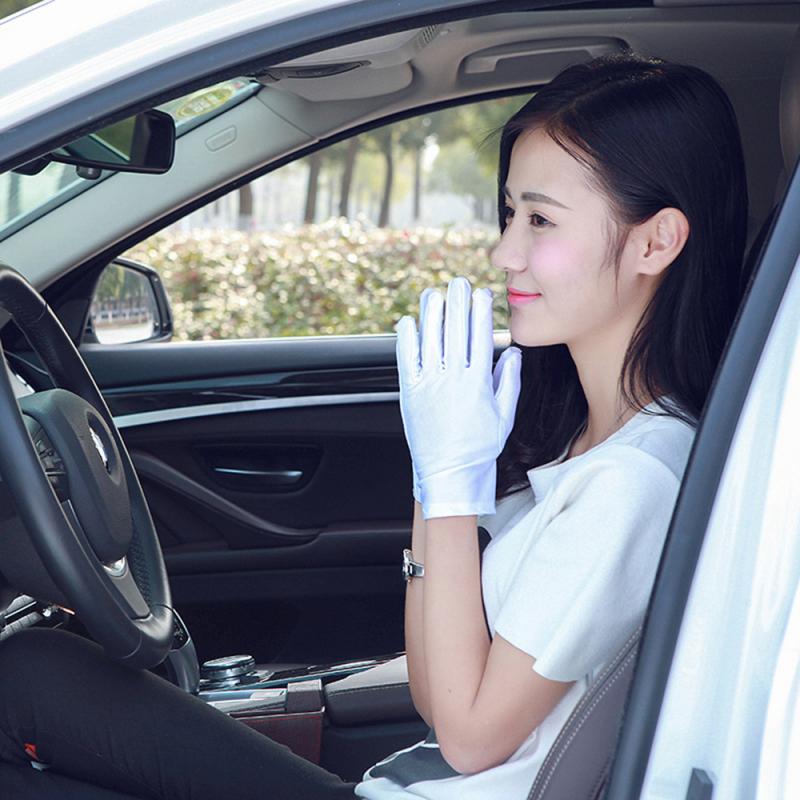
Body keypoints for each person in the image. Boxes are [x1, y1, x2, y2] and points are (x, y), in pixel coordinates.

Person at [0, 50, 750, 800]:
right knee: (34, 676)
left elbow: (467, 739)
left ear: (656, 242)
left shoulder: (630, 482)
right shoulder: (597, 446)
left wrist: (454, 485)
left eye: (541, 219)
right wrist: (433, 478)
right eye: (509, 214)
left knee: (32, 678)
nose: (505, 251)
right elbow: (435, 695)